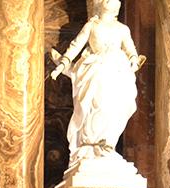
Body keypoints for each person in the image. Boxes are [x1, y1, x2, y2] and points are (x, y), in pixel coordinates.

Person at [50, 0, 141, 165]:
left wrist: (134, 61)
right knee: (97, 104)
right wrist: (62, 65)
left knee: (116, 107)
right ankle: (91, 145)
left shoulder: (122, 29)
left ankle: (107, 144)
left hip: (118, 72)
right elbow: (75, 46)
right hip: (95, 71)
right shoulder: (92, 26)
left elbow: (131, 50)